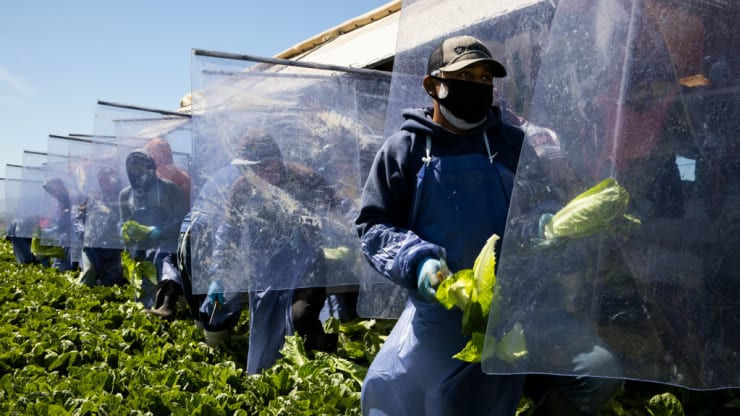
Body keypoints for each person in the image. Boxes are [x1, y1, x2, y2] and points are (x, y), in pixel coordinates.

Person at [355, 35, 526, 415]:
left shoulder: (512, 143)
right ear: (434, 85)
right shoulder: (405, 149)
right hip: (437, 312)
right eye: (465, 76)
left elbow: (535, 202)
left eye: (485, 79)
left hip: (508, 312)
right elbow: (373, 227)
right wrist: (417, 261)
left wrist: (545, 221)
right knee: (395, 396)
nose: (478, 86)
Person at [202, 131, 339, 374]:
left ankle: (320, 367)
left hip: (306, 264)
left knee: (301, 316)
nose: (260, 174)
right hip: (266, 267)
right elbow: (229, 231)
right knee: (265, 323)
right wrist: (219, 276)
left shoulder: (305, 179)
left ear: (276, 161)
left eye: (264, 167)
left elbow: (340, 213)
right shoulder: (243, 188)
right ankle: (272, 373)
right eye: (253, 169)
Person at [118, 149, 188, 314]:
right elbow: (123, 220)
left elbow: (180, 217)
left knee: (164, 262)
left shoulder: (169, 188)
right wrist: (123, 230)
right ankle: (146, 310)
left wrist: (160, 231)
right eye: (134, 167)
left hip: (166, 241)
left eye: (142, 166)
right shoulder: (125, 194)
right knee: (142, 277)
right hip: (140, 245)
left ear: (151, 167)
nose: (138, 171)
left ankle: (166, 305)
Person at [78, 166, 125, 287]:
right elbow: (79, 216)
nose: (105, 182)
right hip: (92, 243)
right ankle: (78, 299)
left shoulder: (122, 197)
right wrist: (82, 231)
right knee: (89, 271)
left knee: (112, 280)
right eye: (102, 180)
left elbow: (123, 219)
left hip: (112, 246)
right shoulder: (93, 197)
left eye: (108, 179)